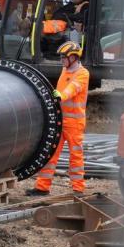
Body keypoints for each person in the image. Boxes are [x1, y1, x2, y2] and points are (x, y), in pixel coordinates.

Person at [30, 40, 89, 195]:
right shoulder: (65, 70)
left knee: (75, 157)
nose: (62, 60)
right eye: (61, 57)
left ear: (74, 57)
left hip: (75, 123)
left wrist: (61, 96)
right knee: (50, 154)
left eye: (64, 57)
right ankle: (42, 187)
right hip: (60, 120)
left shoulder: (83, 73)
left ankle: (78, 189)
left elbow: (73, 88)